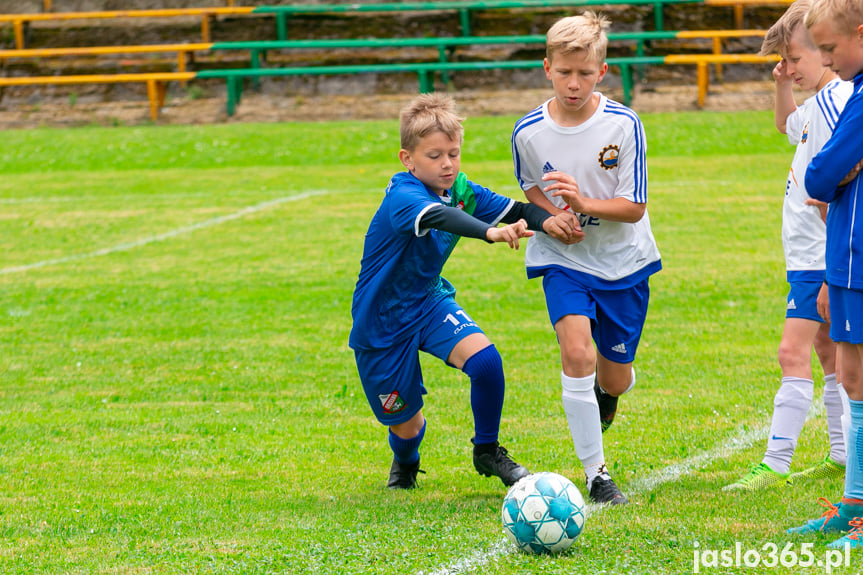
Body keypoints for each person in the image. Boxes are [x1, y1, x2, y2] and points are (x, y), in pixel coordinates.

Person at [349, 93, 583, 490]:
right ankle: (405, 463)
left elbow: (517, 211)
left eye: (453, 154)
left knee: (486, 363)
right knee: (408, 426)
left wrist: (552, 221)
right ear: (408, 159)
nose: (447, 165)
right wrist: (489, 232)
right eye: (434, 156)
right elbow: (440, 216)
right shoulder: (404, 195)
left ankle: (487, 451)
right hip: (381, 320)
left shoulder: (460, 188)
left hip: (427, 301)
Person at [510, 11, 661, 505]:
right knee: (576, 352)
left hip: (622, 261)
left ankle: (611, 389)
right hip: (563, 258)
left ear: (602, 71)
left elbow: (634, 207)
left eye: (585, 74)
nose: (573, 84)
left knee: (614, 374)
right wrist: (552, 216)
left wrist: (582, 204)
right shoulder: (527, 131)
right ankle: (597, 476)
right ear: (546, 67)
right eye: (564, 72)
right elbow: (529, 183)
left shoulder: (623, 124)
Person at [724, 0, 852, 493]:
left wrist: (828, 266)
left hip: (820, 257)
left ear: (825, 49)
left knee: (790, 351)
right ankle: (843, 453)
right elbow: (786, 126)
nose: (790, 68)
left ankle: (775, 461)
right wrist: (781, 84)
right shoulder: (822, 103)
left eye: (795, 59)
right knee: (828, 353)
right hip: (812, 257)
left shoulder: (833, 104)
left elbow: (832, 190)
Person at [785, 0, 863, 549]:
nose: (829, 63)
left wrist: (833, 172)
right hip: (846, 260)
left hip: (857, 259)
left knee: (859, 384)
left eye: (832, 50)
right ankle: (855, 506)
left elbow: (821, 172)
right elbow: (824, 174)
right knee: (854, 382)